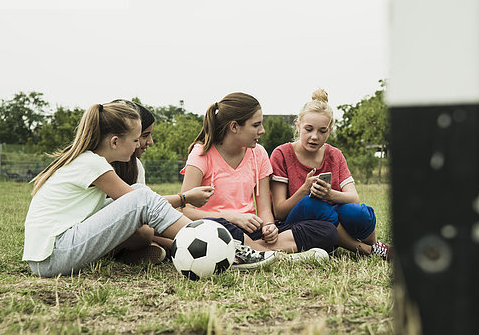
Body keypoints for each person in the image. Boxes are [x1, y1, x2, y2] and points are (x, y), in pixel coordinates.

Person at [22, 102, 269, 277]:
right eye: (135, 140)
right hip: (53, 256)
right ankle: (225, 249)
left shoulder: (88, 161)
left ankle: (202, 245)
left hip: (50, 256)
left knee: (130, 203)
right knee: (140, 197)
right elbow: (140, 202)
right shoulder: (92, 163)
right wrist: (184, 198)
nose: (140, 144)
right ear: (115, 142)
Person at [180, 92, 338, 261]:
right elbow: (185, 210)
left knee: (327, 231)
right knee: (224, 229)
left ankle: (250, 252)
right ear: (234, 127)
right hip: (217, 228)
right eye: (256, 125)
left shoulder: (259, 153)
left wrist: (269, 226)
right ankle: (276, 256)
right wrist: (232, 217)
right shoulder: (201, 154)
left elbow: (264, 209)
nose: (262, 131)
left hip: (251, 229)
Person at [269, 89, 392, 261]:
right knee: (313, 204)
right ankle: (366, 250)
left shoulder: (335, 155)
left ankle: (375, 245)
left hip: (329, 220)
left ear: (330, 130)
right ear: (298, 126)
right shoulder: (282, 154)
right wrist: (304, 190)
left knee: (357, 211)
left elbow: (353, 197)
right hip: (296, 222)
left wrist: (330, 194)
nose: (314, 137)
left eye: (322, 131)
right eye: (308, 129)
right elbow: (279, 212)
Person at [109, 100, 214, 265]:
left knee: (149, 229)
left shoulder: (135, 166)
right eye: (144, 136)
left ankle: (148, 249)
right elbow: (141, 204)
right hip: (102, 232)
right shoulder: (100, 167)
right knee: (145, 232)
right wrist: (184, 198)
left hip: (125, 229)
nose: (150, 142)